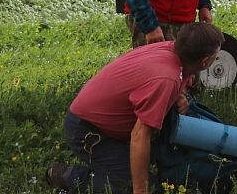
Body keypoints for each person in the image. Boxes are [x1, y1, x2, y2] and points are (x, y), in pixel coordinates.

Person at [47, 22, 224, 194]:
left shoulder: (171, 50)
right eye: (216, 56)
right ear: (205, 61)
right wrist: (140, 190)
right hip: (87, 131)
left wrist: (179, 94)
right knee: (141, 186)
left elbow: (152, 78)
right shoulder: (165, 79)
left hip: (98, 121)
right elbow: (140, 135)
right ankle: (65, 175)